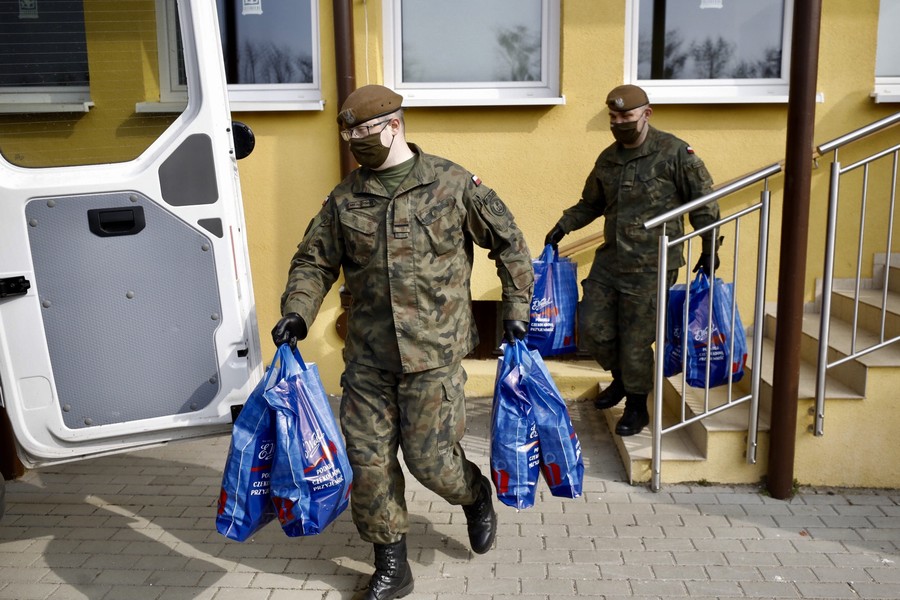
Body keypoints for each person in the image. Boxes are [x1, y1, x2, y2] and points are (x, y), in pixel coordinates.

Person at [272, 84, 534, 600]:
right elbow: (313, 261)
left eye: (364, 132)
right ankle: (392, 564)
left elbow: (511, 245)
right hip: (369, 358)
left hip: (433, 358)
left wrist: (517, 310)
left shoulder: (453, 183)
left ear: (395, 126)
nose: (354, 142)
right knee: (368, 463)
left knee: (431, 462)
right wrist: (297, 313)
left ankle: (475, 495)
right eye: (348, 134)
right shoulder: (346, 198)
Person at [544, 84, 720, 437]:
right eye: (613, 116)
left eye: (626, 115)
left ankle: (637, 407)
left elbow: (703, 203)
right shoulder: (608, 158)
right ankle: (622, 379)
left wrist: (709, 247)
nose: (619, 122)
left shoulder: (675, 153)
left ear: (646, 114)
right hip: (611, 260)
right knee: (592, 326)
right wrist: (563, 225)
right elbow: (591, 203)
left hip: (653, 264)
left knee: (637, 339)